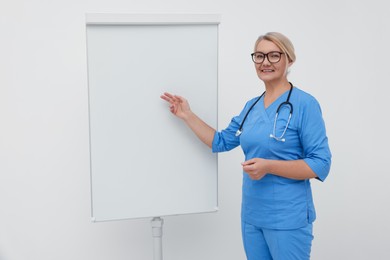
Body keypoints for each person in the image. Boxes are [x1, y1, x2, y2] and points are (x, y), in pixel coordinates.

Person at [160, 32, 331, 260]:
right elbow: (220, 141)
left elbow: (321, 164)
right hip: (252, 216)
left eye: (274, 55)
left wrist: (269, 166)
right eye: (259, 56)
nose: (265, 62)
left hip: (287, 218)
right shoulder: (252, 107)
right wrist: (187, 115)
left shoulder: (305, 104)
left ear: (289, 60)